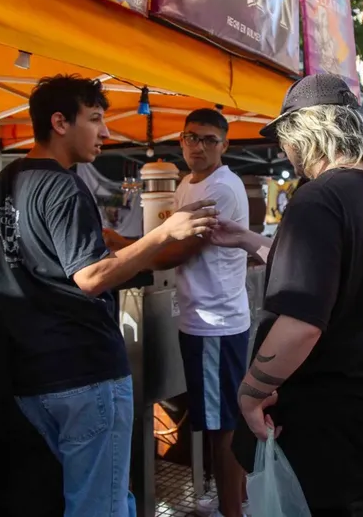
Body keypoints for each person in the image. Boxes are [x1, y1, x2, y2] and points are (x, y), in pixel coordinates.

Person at [0, 75, 218, 517]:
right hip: (84, 373)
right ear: (59, 122)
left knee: (101, 496)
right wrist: (163, 234)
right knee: (103, 505)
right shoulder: (62, 186)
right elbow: (90, 277)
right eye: (94, 119)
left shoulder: (4, 183)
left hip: (32, 374)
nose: (106, 133)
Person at [208, 74, 363, 516]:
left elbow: (302, 323)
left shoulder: (318, 198)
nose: (285, 149)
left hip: (329, 424)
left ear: (307, 130)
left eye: (286, 135)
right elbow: (332, 273)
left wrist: (249, 392)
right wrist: (248, 239)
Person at [106, 109, 250, 517]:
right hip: (200, 317)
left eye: (208, 139)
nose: (198, 146)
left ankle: (231, 510)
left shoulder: (222, 188)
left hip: (215, 323)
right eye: (191, 137)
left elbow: (178, 250)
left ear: (224, 144)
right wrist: (129, 242)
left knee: (222, 426)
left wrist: (123, 251)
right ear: (181, 140)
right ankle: (230, 500)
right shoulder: (186, 184)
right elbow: (167, 236)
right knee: (216, 421)